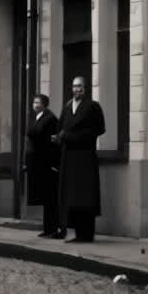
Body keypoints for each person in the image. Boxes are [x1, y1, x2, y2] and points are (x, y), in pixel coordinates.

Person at [55, 77, 105, 243]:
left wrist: (74, 137)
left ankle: (87, 234)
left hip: (85, 157)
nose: (77, 90)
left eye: (80, 87)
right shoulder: (68, 106)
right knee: (71, 197)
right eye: (75, 86)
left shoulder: (93, 107)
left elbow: (99, 129)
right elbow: (60, 128)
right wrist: (60, 137)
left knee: (85, 197)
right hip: (69, 157)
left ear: (85, 88)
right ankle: (74, 232)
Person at [25, 94, 62, 238]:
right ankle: (47, 228)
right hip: (38, 163)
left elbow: (52, 142)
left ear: (44, 104)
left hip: (47, 163)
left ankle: (54, 228)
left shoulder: (50, 118)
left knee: (50, 198)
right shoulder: (37, 117)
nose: (34, 104)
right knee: (45, 199)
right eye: (33, 102)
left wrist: (54, 164)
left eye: (37, 102)